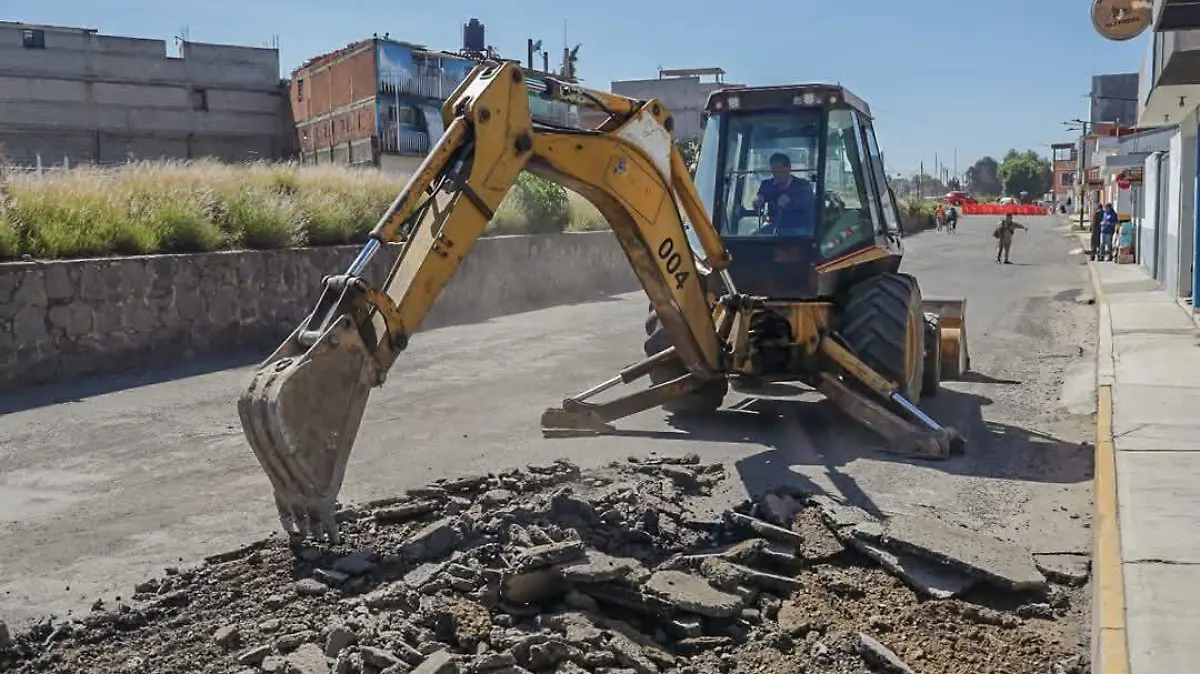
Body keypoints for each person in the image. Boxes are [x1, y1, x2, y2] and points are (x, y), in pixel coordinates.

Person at [752, 153, 817, 237]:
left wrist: (790, 202)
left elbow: (806, 204)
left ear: (788, 168)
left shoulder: (802, 185)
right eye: (773, 170)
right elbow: (760, 198)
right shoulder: (767, 185)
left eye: (779, 170)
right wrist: (757, 203)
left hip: (799, 227)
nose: (775, 174)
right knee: (753, 239)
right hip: (775, 226)